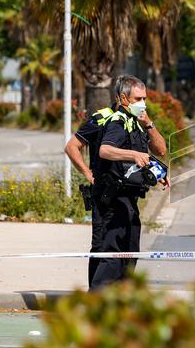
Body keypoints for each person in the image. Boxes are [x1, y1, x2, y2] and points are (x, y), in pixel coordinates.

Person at [91, 75, 168, 288]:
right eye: (138, 99)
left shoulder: (137, 122)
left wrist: (159, 172)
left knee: (129, 255)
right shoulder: (118, 121)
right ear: (124, 99)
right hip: (113, 200)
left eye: (145, 98)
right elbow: (105, 150)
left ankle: (121, 306)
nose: (143, 103)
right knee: (112, 258)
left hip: (129, 200)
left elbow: (160, 150)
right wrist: (133, 155)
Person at [64, 76, 125, 288]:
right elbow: (71, 146)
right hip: (103, 195)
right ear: (119, 98)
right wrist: (88, 173)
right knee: (100, 247)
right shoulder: (101, 118)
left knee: (124, 248)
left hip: (127, 196)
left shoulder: (136, 120)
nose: (141, 103)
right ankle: (95, 297)